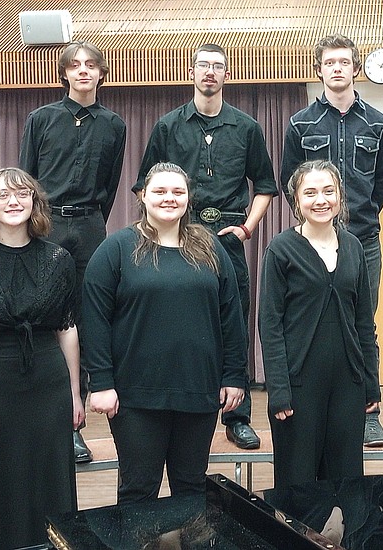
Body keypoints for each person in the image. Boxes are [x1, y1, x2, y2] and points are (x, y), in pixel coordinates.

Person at [135, 43, 275, 451]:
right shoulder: (167, 126)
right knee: (180, 322)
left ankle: (237, 416)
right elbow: (145, 185)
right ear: (191, 72)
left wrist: (247, 228)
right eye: (203, 66)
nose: (210, 72)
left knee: (235, 322)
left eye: (217, 67)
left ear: (226, 75)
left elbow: (265, 186)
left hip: (228, 237)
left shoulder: (246, 127)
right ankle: (180, 409)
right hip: (179, 235)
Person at [81, 162, 247, 504]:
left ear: (189, 198)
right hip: (135, 397)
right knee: (139, 490)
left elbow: (232, 315)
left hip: (198, 392)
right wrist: (100, 383)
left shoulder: (211, 248)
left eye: (177, 191)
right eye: (159, 191)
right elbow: (94, 319)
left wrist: (234, 374)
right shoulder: (117, 249)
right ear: (143, 196)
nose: (169, 198)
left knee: (190, 488)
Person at [0, 168, 83, 549]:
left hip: (48, 385)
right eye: (3, 195)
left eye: (22, 194)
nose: (13, 202)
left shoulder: (59, 260)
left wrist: (75, 394)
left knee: (49, 481)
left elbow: (67, 329)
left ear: (35, 202)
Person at [280, 34, 383, 448]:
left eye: (344, 62)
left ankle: (369, 412)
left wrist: (355, 218)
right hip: (310, 245)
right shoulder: (299, 124)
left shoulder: (379, 124)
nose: (336, 68)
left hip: (362, 241)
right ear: (319, 69)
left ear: (355, 68)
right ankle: (313, 406)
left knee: (362, 324)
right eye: (329, 62)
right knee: (311, 325)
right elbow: (290, 181)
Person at [20, 40, 127, 464]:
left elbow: (111, 183)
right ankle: (37, 414)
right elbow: (25, 177)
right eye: (75, 66)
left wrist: (92, 217)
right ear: (64, 74)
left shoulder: (114, 125)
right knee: (42, 315)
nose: (83, 71)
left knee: (84, 320)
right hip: (45, 223)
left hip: (89, 225)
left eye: (91, 65)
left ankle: (74, 426)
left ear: (102, 73)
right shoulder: (41, 119)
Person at [259, 160, 380, 489]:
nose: (320, 200)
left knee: (346, 484)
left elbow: (364, 323)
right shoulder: (281, 249)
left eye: (328, 191)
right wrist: (279, 390)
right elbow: (269, 326)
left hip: (348, 385)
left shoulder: (354, 247)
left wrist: (371, 383)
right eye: (310, 192)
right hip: (298, 388)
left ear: (340, 196)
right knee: (297, 485)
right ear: (296, 200)